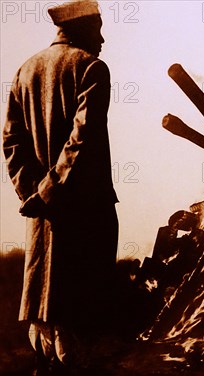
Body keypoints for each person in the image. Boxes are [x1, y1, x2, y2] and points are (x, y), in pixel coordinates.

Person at [2, 0, 118, 372]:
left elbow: (11, 141)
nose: (102, 39)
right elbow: (82, 138)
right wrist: (50, 191)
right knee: (79, 322)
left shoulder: (25, 70)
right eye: (98, 28)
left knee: (45, 318)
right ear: (84, 28)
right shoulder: (92, 68)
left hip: (40, 215)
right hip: (84, 212)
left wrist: (32, 195)